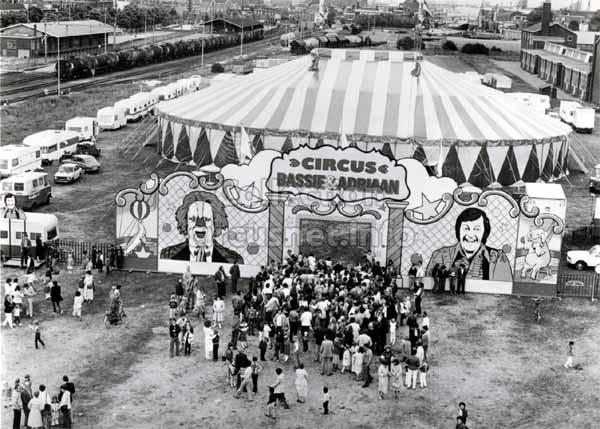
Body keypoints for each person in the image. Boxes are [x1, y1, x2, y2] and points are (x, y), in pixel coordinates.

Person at [427, 207, 513, 282]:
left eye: (476, 229)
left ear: (484, 232)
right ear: (458, 230)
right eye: (466, 228)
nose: (470, 235)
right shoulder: (441, 255)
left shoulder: (498, 258)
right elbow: (430, 287)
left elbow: (503, 291)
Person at [159, 191, 244, 263]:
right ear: (185, 222)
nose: (200, 225)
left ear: (215, 223)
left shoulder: (234, 259)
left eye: (207, 219)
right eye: (193, 219)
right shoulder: (167, 255)